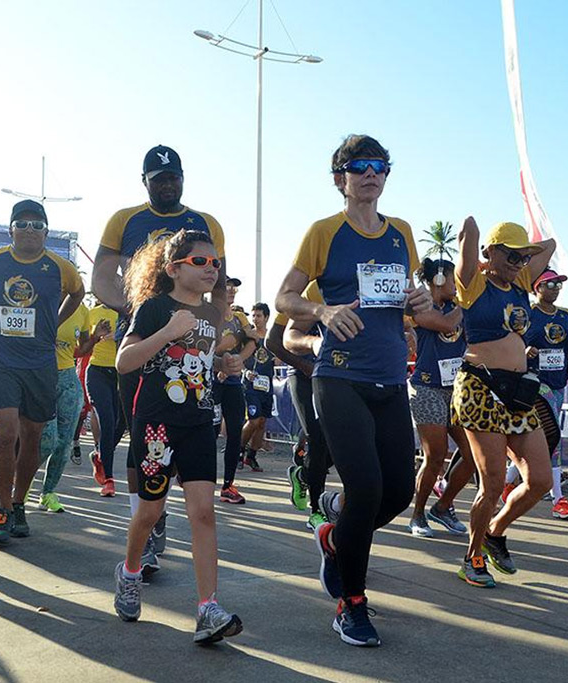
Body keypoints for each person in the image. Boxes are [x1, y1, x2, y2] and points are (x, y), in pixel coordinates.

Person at [275, 134, 433, 646]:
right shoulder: (324, 232)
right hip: (340, 376)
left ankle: (335, 533)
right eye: (359, 166)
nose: (371, 173)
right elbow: (284, 297)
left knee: (399, 491)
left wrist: (420, 296)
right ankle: (352, 603)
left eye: (380, 165)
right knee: (365, 487)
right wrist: (322, 311)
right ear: (340, 178)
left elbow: (411, 303)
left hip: (390, 377)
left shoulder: (402, 233)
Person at [91, 145, 227, 557]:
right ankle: (148, 523)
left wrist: (215, 334)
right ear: (145, 182)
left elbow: (218, 285)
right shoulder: (125, 219)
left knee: (189, 423)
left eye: (174, 178)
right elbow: (101, 278)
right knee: (142, 433)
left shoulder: (204, 223)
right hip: (143, 333)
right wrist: (144, 314)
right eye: (158, 179)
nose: (168, 185)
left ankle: (158, 513)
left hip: (192, 345)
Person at [112, 229, 243, 645]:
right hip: (156, 424)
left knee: (203, 513)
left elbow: (201, 361)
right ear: (173, 269)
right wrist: (167, 333)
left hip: (199, 423)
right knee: (150, 513)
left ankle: (208, 608)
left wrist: (224, 362)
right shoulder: (154, 309)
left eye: (216, 263)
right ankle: (130, 573)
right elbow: (124, 361)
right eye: (200, 262)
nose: (212, 270)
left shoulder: (212, 316)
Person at [450, 217, 556, 588]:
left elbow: (552, 244)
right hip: (480, 389)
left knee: (540, 480)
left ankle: (495, 531)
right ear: (490, 253)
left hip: (518, 392)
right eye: (510, 254)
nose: (517, 262)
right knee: (492, 483)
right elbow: (470, 227)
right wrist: (482, 251)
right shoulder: (473, 284)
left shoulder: (522, 283)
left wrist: (524, 251)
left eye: (522, 257)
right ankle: (472, 556)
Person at [0, 200, 85, 546]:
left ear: (46, 231)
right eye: (21, 224)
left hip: (41, 362)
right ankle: (1, 508)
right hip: (2, 360)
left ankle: (19, 501)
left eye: (36, 224)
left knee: (34, 437)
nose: (28, 230)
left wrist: (55, 320)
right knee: (6, 433)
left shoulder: (60, 267)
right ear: (10, 229)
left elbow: (78, 293)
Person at [405, 258, 476, 537]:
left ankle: (443, 507)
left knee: (473, 456)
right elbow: (446, 326)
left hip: (457, 389)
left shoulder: (458, 309)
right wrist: (466, 303)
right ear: (437, 280)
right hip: (426, 387)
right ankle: (417, 515)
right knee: (435, 456)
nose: (457, 285)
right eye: (452, 279)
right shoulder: (421, 307)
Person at [516, 268, 568, 519]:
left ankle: (506, 482)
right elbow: (512, 343)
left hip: (558, 384)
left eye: (558, 285)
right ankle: (558, 499)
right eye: (550, 284)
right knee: (552, 438)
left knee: (539, 439)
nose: (555, 289)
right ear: (537, 288)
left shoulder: (566, 315)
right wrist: (524, 351)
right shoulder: (527, 314)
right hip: (533, 384)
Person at [268, 282, 336, 530]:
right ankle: (318, 511)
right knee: (317, 439)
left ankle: (303, 475)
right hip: (304, 376)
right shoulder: (303, 294)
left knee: (338, 443)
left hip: (336, 378)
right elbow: (272, 341)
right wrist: (306, 366)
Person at [36, 301, 90, 512]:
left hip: (68, 379)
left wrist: (94, 338)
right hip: (40, 377)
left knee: (64, 443)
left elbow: (82, 348)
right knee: (47, 440)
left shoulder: (82, 310)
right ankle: (22, 482)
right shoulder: (39, 300)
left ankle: (48, 492)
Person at [212, 278, 256, 503]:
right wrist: (221, 362)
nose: (231, 290)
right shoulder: (209, 313)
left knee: (235, 433)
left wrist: (238, 359)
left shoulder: (239, 318)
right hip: (210, 380)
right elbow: (209, 347)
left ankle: (228, 485)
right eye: (226, 285)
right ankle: (197, 479)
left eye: (234, 287)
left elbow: (254, 340)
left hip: (233, 382)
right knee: (208, 432)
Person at [83, 303, 121, 496]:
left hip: (120, 372)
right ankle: (109, 479)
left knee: (118, 424)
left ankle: (101, 456)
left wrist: (119, 337)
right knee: (106, 419)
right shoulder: (91, 314)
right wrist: (95, 336)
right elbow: (82, 345)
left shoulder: (124, 313)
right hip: (97, 371)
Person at [240, 303, 276, 472]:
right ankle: (238, 452)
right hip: (250, 385)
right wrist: (245, 372)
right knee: (253, 420)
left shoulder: (272, 338)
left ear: (267, 317)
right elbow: (237, 357)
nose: (255, 319)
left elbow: (280, 357)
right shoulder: (248, 336)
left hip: (266, 385)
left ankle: (251, 456)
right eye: (253, 315)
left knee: (262, 422)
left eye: (258, 316)